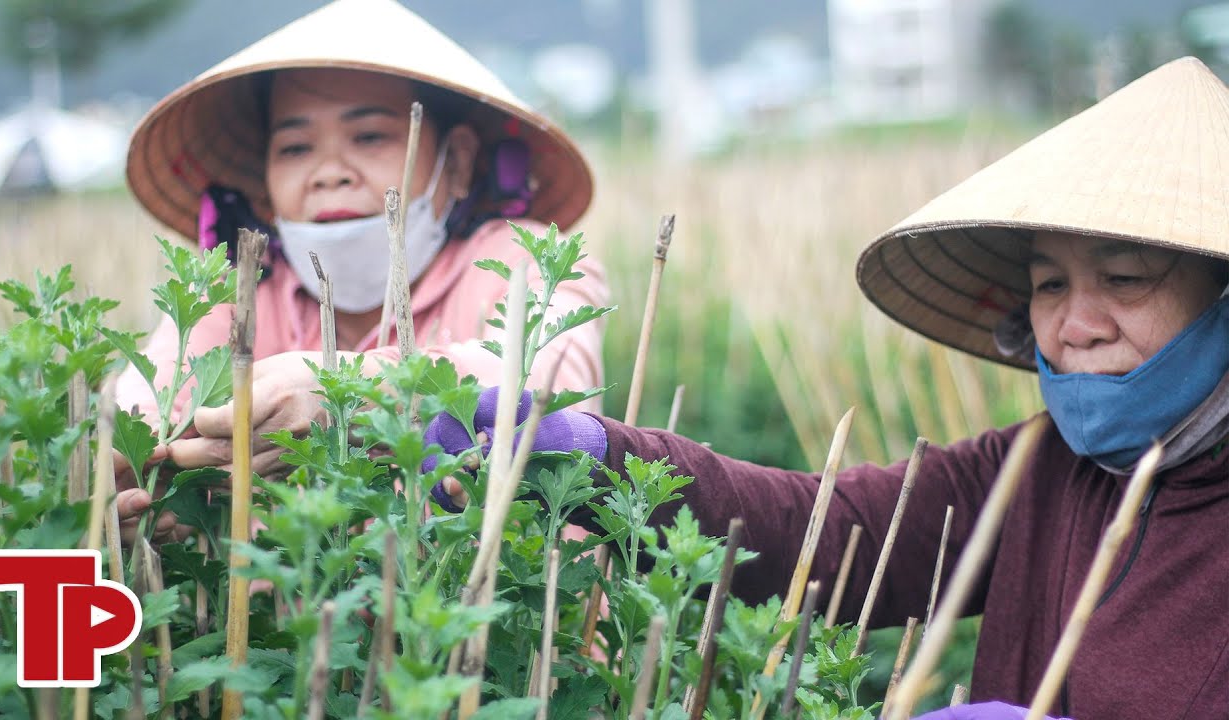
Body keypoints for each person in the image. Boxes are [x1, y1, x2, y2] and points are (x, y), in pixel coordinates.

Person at [426, 57, 1229, 719]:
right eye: (1050, 285)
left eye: (1125, 279)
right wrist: (599, 458)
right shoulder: (1037, 468)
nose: (1075, 324)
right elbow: (822, 532)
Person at [109, 0, 608, 542]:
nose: (328, 173)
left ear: (458, 161)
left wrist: (349, 394)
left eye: (369, 136)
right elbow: (145, 399)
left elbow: (541, 385)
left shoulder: (528, 260)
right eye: (296, 147)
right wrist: (143, 474)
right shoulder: (241, 296)